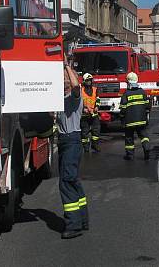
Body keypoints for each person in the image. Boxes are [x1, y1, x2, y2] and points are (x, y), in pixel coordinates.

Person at [56, 62, 88, 239]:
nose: (61, 79)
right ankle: (83, 219)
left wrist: (67, 66)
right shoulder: (60, 98)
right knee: (73, 180)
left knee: (66, 182)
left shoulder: (74, 96)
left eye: (64, 77)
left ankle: (74, 225)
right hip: (64, 142)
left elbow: (76, 85)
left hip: (72, 140)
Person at [120, 72, 151, 161]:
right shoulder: (142, 92)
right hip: (142, 120)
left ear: (128, 82)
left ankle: (130, 155)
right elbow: (147, 106)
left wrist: (121, 117)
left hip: (129, 121)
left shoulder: (126, 94)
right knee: (144, 136)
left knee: (129, 138)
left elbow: (123, 108)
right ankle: (147, 148)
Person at [80, 73, 101, 153]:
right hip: (84, 115)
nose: (89, 82)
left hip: (94, 114)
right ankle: (86, 148)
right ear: (84, 81)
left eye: (90, 80)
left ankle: (95, 145)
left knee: (96, 131)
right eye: (87, 80)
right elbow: (79, 102)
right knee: (84, 132)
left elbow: (98, 99)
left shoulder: (95, 89)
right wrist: (83, 109)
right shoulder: (81, 90)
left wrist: (97, 106)